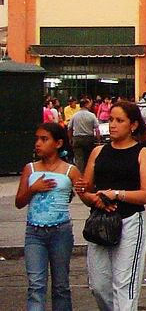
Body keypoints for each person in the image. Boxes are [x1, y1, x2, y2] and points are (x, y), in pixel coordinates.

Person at [76, 101, 146, 311]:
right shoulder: (98, 152)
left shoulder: (142, 153)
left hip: (129, 221)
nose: (112, 125)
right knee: (99, 285)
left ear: (133, 125)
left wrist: (116, 195)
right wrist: (91, 196)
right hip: (100, 222)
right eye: (110, 119)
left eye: (119, 120)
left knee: (124, 283)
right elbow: (86, 191)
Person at [17, 122, 79, 311]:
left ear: (58, 143)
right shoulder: (31, 169)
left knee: (61, 285)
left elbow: (85, 192)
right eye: (37, 139)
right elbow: (19, 201)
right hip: (34, 233)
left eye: (44, 139)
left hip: (60, 232)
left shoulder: (69, 170)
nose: (38, 143)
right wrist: (33, 188)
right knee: (36, 285)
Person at [69, 98, 99, 174]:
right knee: (89, 157)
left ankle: (79, 176)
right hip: (89, 138)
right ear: (86, 105)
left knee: (78, 159)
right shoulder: (92, 115)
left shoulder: (75, 116)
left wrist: (70, 139)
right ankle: (88, 174)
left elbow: (69, 128)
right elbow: (97, 129)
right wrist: (98, 141)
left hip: (77, 138)